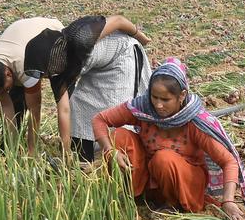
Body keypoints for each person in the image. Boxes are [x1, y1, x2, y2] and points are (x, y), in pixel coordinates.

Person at [92, 58, 245, 220]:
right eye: (154, 97)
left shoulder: (195, 121)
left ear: (181, 95)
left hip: (183, 183)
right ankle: (133, 197)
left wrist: (228, 201)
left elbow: (229, 161)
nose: (158, 105)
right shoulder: (143, 107)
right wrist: (109, 149)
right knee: (120, 137)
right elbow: (100, 120)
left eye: (165, 100)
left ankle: (173, 205)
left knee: (164, 158)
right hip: (150, 178)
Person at [23, 15, 152, 163]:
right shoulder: (57, 70)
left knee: (114, 107)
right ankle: (83, 162)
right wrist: (66, 153)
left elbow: (118, 21)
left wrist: (139, 36)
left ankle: (119, 161)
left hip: (121, 54)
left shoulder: (80, 37)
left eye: (44, 72)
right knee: (78, 104)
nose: (45, 77)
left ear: (53, 56)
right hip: (97, 66)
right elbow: (64, 110)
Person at [0, 17, 65, 154]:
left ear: (8, 73)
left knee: (62, 98)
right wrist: (11, 146)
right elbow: (5, 105)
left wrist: (32, 149)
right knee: (16, 99)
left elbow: (35, 111)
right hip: (21, 33)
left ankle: (69, 145)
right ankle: (11, 145)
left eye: (5, 89)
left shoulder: (26, 66)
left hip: (54, 37)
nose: (4, 92)